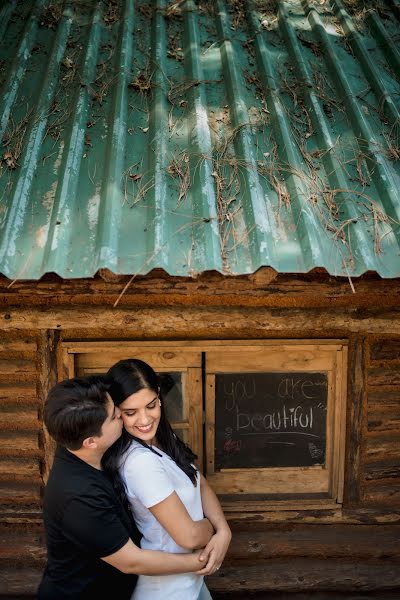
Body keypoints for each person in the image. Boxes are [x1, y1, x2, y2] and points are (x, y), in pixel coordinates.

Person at [38, 375, 216, 600]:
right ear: (91, 441)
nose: (122, 415)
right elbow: (131, 561)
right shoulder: (78, 497)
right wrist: (202, 559)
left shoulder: (81, 444)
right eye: (115, 416)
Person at [103, 358, 232, 600]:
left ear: (159, 395)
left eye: (151, 406)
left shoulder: (161, 435)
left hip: (192, 580)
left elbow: (199, 481)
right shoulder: (139, 462)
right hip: (166, 589)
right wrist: (212, 528)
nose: (144, 420)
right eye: (130, 412)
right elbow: (189, 536)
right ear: (116, 412)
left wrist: (224, 530)